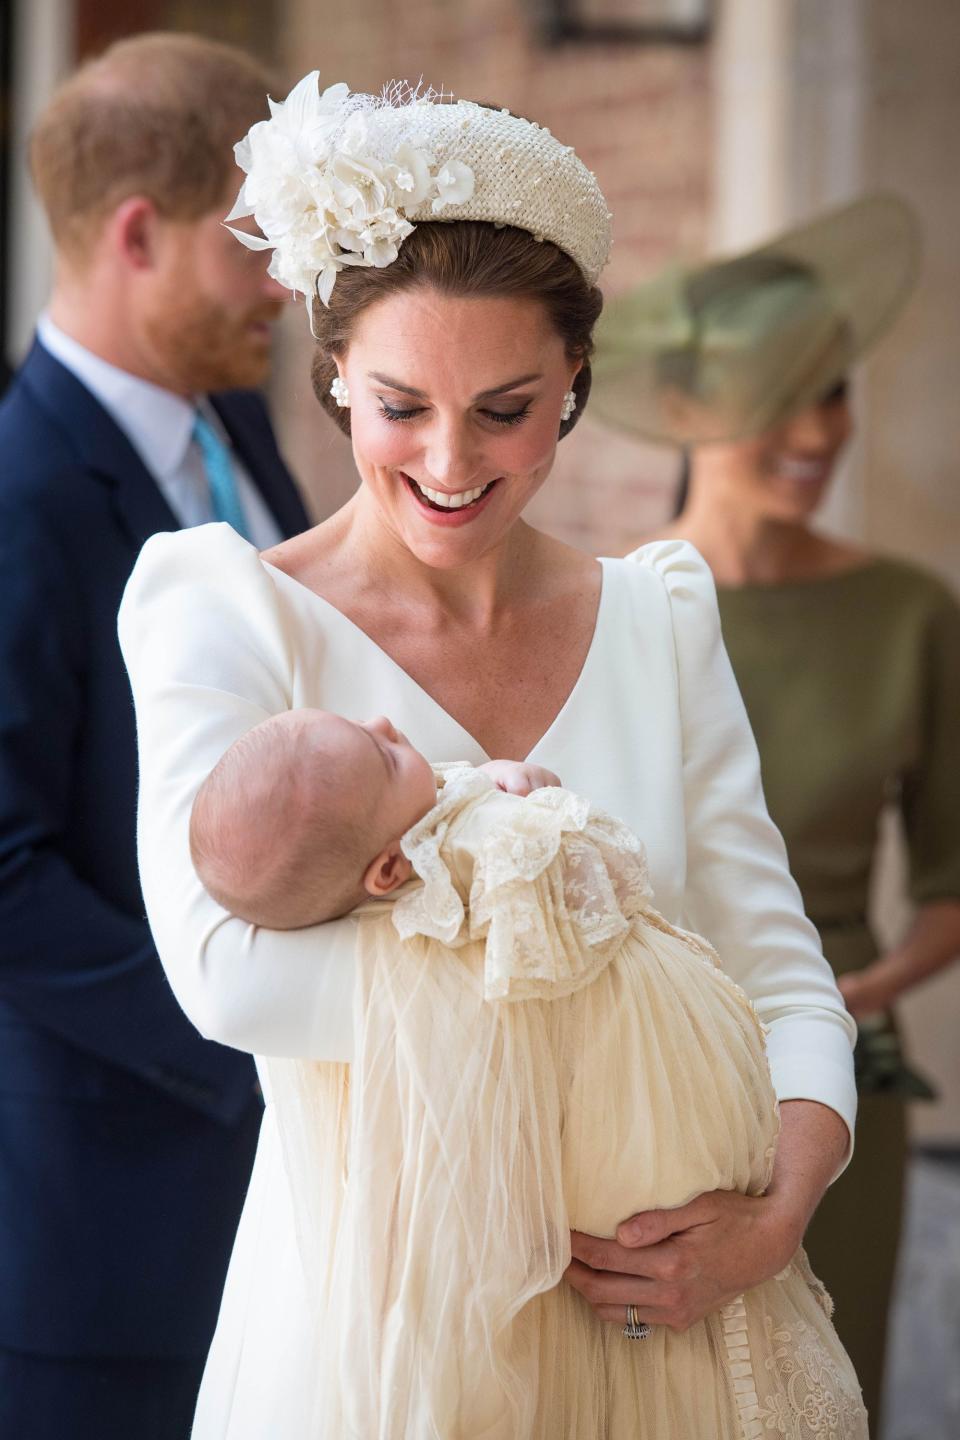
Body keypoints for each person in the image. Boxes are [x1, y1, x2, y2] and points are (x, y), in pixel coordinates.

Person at [119, 77, 859, 1437]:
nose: (451, 463)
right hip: (371, 1341)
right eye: (401, 405)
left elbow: (782, 969)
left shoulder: (659, 617)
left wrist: (777, 1213)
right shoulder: (221, 608)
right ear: (334, 368)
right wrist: (601, 979)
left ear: (576, 382)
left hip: (666, 1338)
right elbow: (225, 973)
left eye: (507, 409)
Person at [186, 705, 867, 1436]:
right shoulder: (459, 864)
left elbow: (787, 979)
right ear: (386, 870)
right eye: (382, 755)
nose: (386, 722)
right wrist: (526, 808)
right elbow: (584, 875)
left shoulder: (420, 829)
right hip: (591, 1220)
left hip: (699, 1237)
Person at [591, 194, 960, 1430]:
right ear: (686, 411)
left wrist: (841, 1000)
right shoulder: (611, 611)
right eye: (780, 392)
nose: (818, 429)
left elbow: (955, 883)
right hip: (638, 1085)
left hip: (837, 1085)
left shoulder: (914, 613)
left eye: (836, 389)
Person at [0, 33, 310, 1440]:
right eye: (255, 242)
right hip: (111, 1228)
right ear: (137, 232)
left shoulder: (241, 420)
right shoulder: (20, 498)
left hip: (292, 1209)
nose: (286, 286)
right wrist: (257, 1041)